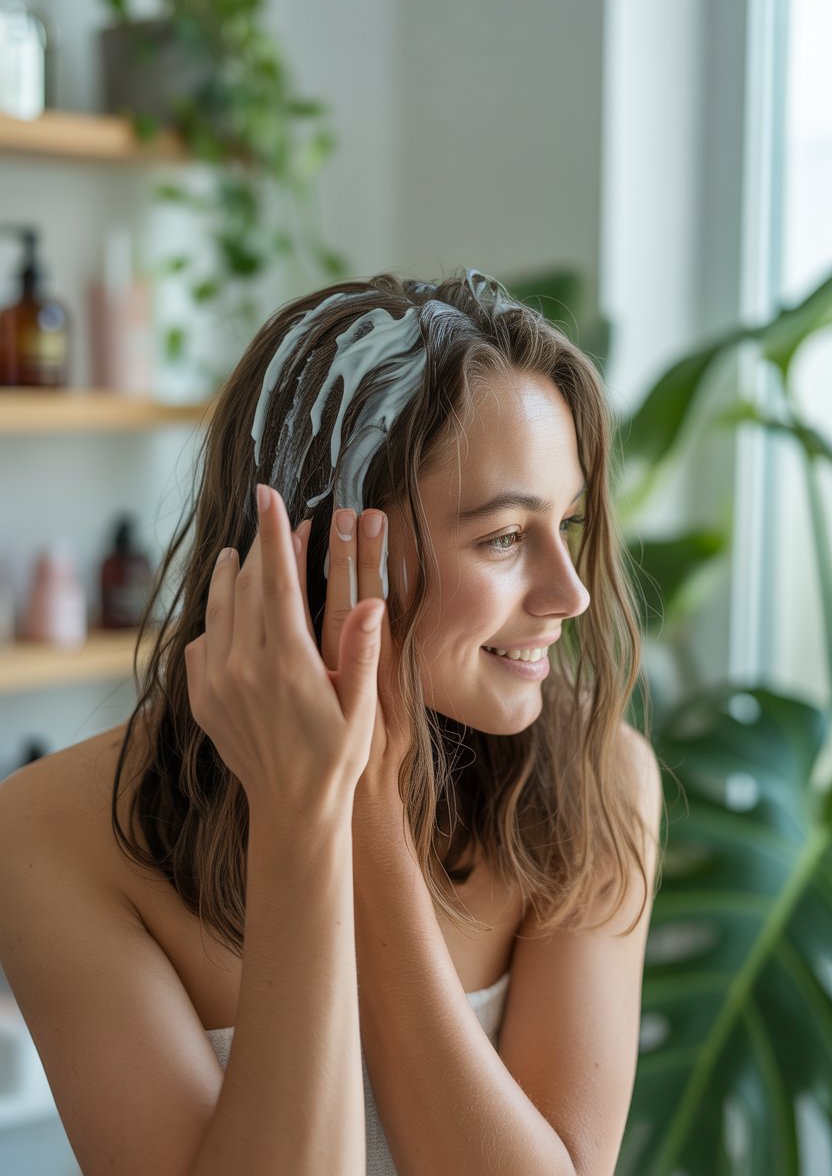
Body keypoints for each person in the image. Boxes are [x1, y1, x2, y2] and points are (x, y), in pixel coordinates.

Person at [0, 268, 664, 1176]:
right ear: (320, 550)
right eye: (505, 537)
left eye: (570, 523)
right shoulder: (47, 833)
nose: (571, 591)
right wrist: (299, 813)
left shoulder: (598, 778)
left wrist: (368, 802)